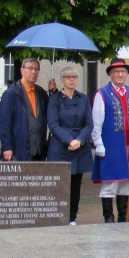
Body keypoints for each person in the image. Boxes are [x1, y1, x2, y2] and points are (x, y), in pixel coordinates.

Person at [91, 57, 129, 223]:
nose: (120, 75)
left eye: (123, 72)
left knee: (126, 182)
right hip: (112, 145)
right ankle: (108, 216)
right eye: (116, 72)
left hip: (128, 145)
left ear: (127, 74)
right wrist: (98, 143)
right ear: (111, 75)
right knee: (110, 182)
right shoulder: (102, 94)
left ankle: (124, 215)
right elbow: (97, 122)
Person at [47, 66, 93, 225]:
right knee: (60, 183)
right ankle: (58, 215)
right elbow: (53, 124)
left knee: (76, 184)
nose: (72, 79)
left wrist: (79, 140)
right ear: (62, 80)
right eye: (68, 77)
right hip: (61, 147)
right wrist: (69, 140)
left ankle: (72, 217)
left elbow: (89, 123)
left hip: (79, 148)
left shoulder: (83, 99)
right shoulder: (55, 99)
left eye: (74, 76)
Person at [0, 58, 49, 161]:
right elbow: (4, 123)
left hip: (38, 150)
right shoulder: (11, 94)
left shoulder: (41, 93)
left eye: (36, 69)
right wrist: (7, 146)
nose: (33, 72)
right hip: (19, 150)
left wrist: (54, 91)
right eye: (30, 68)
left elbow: (49, 113)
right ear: (22, 70)